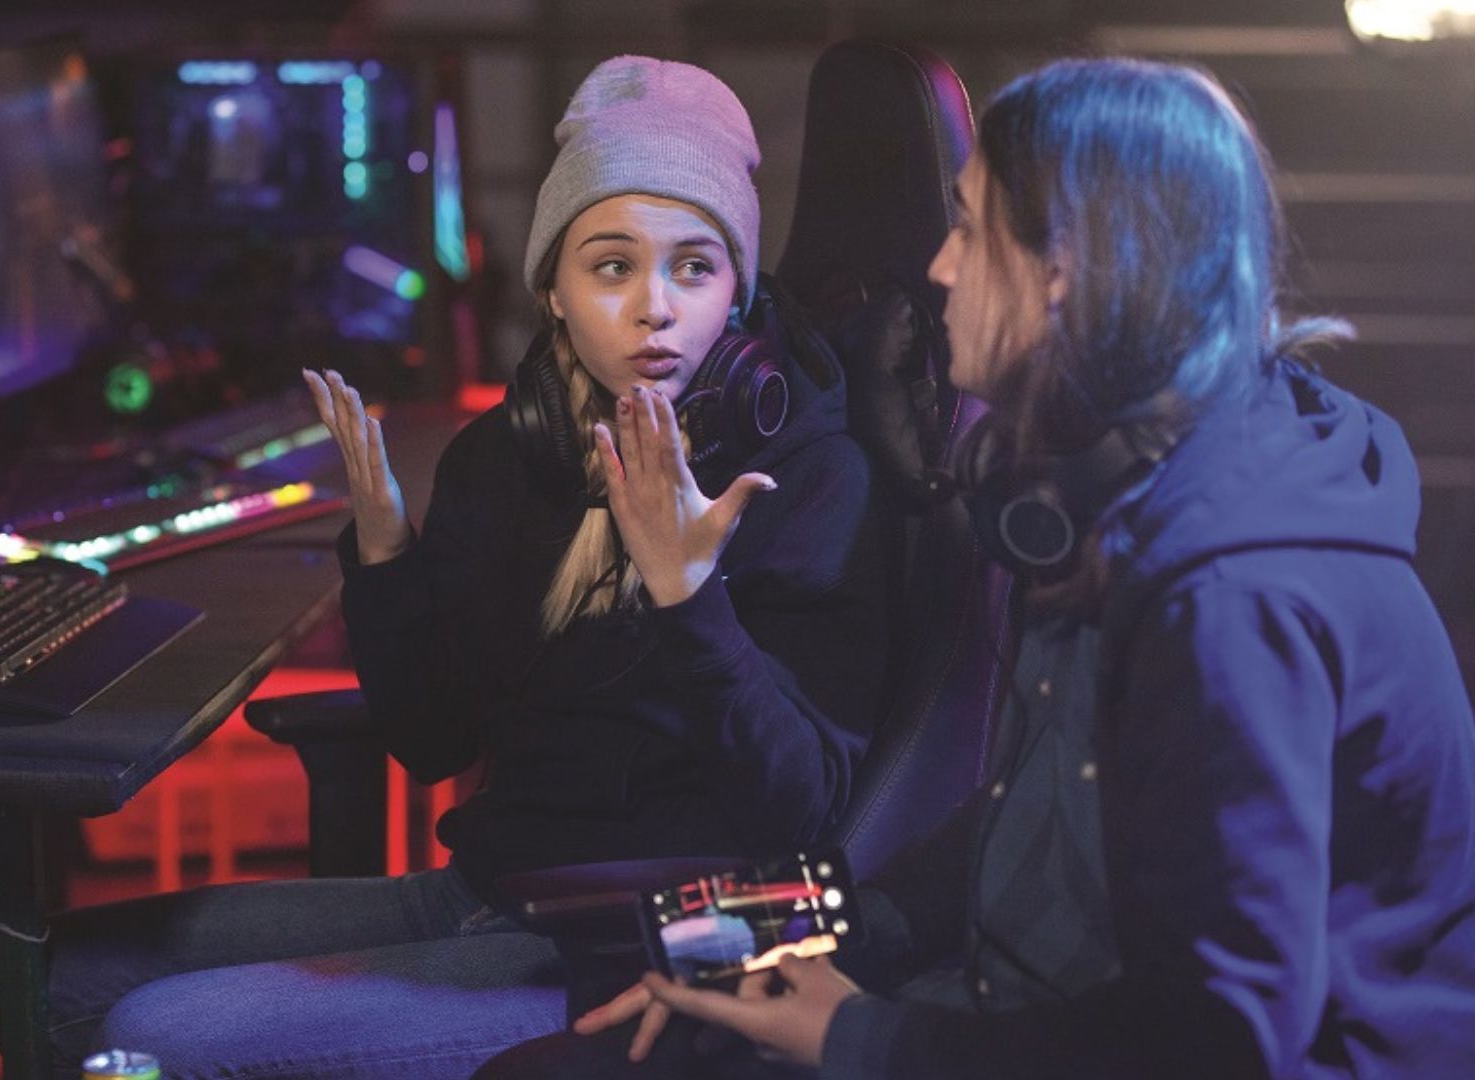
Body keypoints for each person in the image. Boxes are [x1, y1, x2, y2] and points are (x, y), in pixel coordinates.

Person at [480, 56, 1475, 1080]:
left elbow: (1216, 1044)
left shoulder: (1231, 595)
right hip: (1017, 1007)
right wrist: (732, 938)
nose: (941, 269)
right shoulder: (1105, 507)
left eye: (968, 228)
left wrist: (853, 1035)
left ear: (1071, 269)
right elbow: (1004, 843)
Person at [31, 55, 887, 1079]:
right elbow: (433, 739)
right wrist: (389, 555)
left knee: (158, 1036)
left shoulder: (809, 480)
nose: (654, 307)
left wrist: (690, 596)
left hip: (629, 950)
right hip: (485, 891)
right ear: (555, 291)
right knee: (62, 977)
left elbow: (802, 810)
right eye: (612, 266)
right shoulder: (513, 456)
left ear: (739, 297)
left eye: (694, 268)